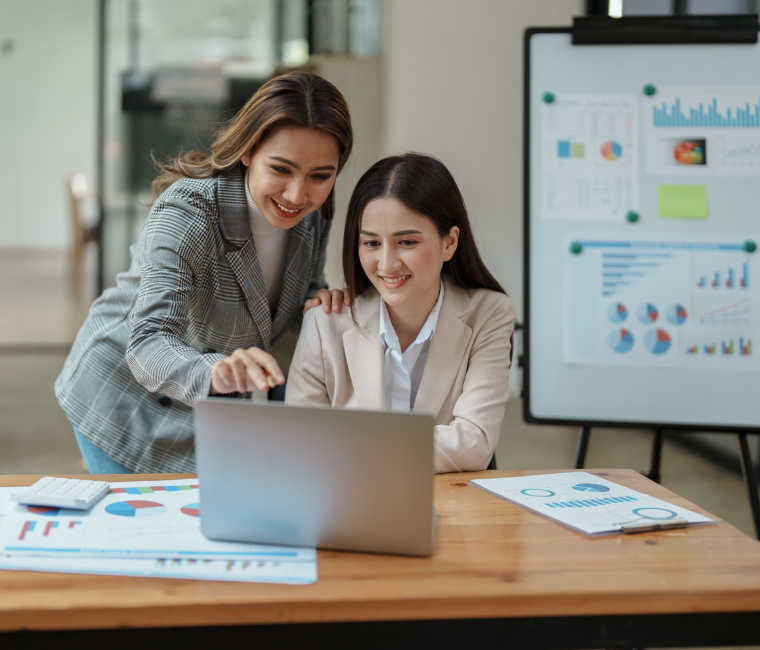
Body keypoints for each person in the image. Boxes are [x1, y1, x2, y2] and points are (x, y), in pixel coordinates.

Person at [56, 71, 353, 474]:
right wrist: (215, 370)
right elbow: (148, 342)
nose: (297, 195)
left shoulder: (313, 217)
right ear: (248, 150)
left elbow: (298, 290)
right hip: (121, 398)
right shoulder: (189, 213)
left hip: (205, 410)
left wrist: (320, 300)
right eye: (281, 169)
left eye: (321, 175)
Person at [286, 153, 516, 473]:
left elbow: (473, 443)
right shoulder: (325, 321)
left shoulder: (489, 314)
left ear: (449, 243)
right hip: (350, 509)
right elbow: (300, 444)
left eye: (406, 242)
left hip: (450, 507)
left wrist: (346, 447)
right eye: (371, 244)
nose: (386, 264)